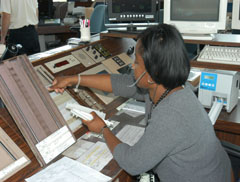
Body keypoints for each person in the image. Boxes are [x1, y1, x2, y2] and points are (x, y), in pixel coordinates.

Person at [48, 24, 231, 182]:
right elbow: (120, 83)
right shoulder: (170, 86)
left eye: (136, 62)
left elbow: (133, 163)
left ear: (151, 75)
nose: (132, 66)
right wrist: (73, 79)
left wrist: (102, 129)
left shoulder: (173, 113)